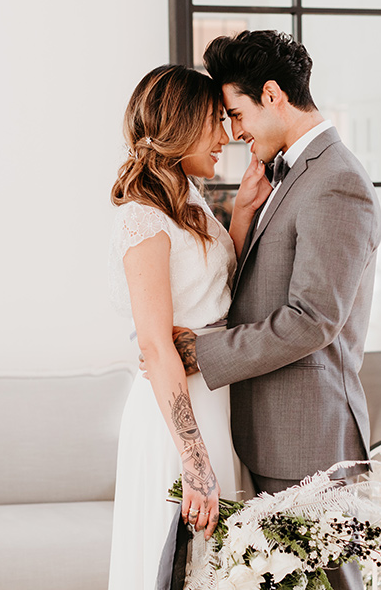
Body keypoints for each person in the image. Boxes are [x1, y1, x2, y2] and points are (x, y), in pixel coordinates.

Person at [166, 30, 381, 590]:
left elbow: (312, 319)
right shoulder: (285, 175)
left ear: (271, 95)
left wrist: (205, 350)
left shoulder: (336, 181)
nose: (233, 132)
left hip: (306, 433)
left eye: (236, 113)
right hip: (271, 428)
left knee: (334, 582)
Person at [106, 64, 271, 590]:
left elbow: (212, 293)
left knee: (219, 568)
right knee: (179, 566)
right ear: (179, 126)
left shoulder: (189, 199)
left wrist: (241, 212)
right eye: (214, 122)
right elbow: (156, 347)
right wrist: (194, 460)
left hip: (214, 399)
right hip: (175, 422)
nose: (226, 136)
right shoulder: (143, 216)